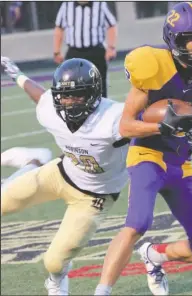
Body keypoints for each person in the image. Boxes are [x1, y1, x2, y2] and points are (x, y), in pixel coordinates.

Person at [94, 2, 192, 295]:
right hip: (147, 155)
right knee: (138, 222)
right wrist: (161, 127)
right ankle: (102, 291)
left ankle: (155, 255)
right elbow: (125, 126)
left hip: (181, 162)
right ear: (175, 40)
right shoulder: (152, 67)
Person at [1, 56, 129, 296]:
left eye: (77, 95)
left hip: (94, 197)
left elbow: (144, 122)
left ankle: (57, 278)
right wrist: (16, 74)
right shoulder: (52, 108)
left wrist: (168, 124)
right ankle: (34, 161)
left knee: (54, 262)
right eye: (64, 95)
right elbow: (40, 95)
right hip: (60, 172)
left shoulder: (113, 118)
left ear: (93, 94)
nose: (69, 102)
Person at [53, 1, 117, 97]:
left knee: (99, 86)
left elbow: (112, 25)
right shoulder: (66, 5)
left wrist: (111, 47)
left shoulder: (100, 4)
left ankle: (102, 109)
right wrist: (57, 51)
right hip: (74, 52)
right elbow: (59, 28)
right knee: (71, 85)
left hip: (96, 51)